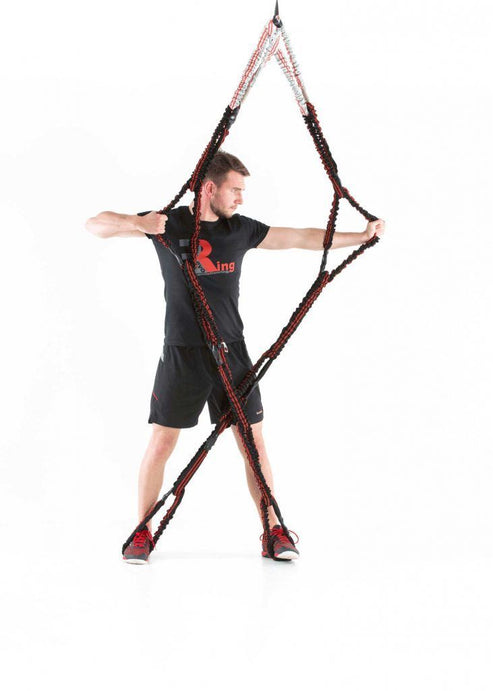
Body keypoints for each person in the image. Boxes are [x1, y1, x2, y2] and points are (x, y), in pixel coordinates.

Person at [85, 151, 385, 564]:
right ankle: (142, 531)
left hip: (232, 353)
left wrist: (360, 236)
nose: (241, 198)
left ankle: (273, 531)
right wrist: (138, 223)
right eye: (235, 190)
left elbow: (300, 237)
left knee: (253, 445)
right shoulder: (169, 224)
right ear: (210, 188)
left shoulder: (239, 229)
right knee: (162, 443)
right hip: (183, 353)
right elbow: (95, 224)